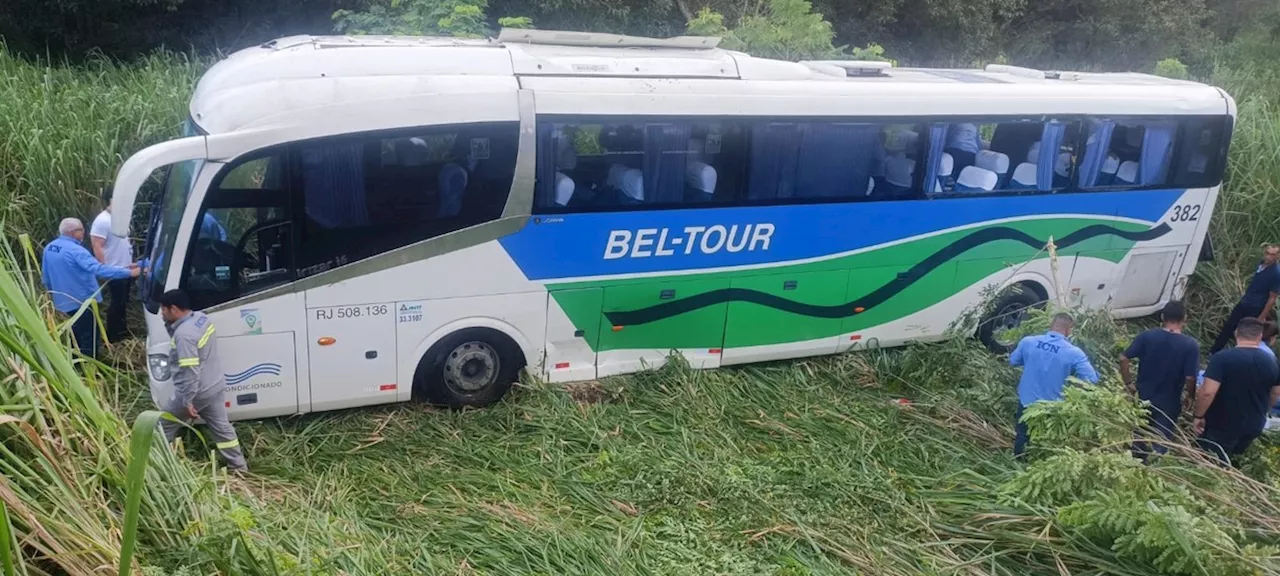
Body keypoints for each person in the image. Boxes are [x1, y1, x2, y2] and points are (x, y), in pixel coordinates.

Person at [157, 289, 247, 472]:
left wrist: (187, 400)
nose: (161, 314)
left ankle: (157, 465)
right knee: (222, 428)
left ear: (173, 309)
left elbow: (190, 370)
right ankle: (238, 467)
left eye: (163, 310)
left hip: (197, 390)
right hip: (214, 384)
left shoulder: (184, 336)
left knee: (163, 425)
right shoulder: (200, 318)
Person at [41, 218, 140, 358]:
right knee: (89, 336)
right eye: (81, 230)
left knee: (74, 335)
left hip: (62, 302)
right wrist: (129, 273)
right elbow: (99, 269)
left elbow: (45, 277)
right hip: (82, 301)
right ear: (73, 232)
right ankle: (89, 369)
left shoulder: (50, 248)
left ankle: (74, 363)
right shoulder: (76, 251)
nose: (84, 233)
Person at [1009, 312, 1100, 457]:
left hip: (1026, 402)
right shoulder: (1074, 353)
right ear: (1069, 330)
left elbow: (1013, 361)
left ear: (1051, 325)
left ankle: (1017, 463)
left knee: (1022, 436)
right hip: (1053, 407)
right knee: (1047, 441)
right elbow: (1091, 380)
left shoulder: (1028, 342)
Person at [1194, 317, 1280, 465]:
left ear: (1236, 333)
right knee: (1233, 459)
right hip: (1253, 424)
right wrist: (1263, 411)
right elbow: (1276, 392)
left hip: (1222, 423)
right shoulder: (1272, 362)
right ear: (1259, 336)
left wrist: (1198, 415)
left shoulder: (1222, 359)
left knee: (1210, 462)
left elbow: (1207, 392)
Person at [1119, 301, 1199, 450]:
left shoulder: (1147, 336)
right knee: (1162, 440)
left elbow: (1123, 358)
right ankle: (1155, 467)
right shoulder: (1190, 345)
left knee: (1138, 434)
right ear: (1185, 319)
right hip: (1169, 401)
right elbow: (1190, 378)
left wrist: (1128, 383)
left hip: (1143, 395)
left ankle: (1136, 462)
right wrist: (1190, 396)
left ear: (1162, 317)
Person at [1210, 244, 1280, 353]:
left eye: (1273, 255)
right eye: (1267, 253)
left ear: (1277, 256)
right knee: (1229, 326)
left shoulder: (1276, 273)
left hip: (1256, 307)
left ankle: (1239, 355)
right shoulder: (1261, 264)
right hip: (1245, 302)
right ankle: (1214, 352)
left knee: (1247, 332)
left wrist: (1261, 317)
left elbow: (1272, 298)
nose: (1269, 257)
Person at [89, 186, 134, 343]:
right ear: (111, 200)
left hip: (125, 268)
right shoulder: (102, 221)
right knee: (117, 301)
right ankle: (113, 335)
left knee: (123, 301)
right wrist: (104, 268)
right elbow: (97, 245)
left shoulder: (119, 219)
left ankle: (122, 329)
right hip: (114, 269)